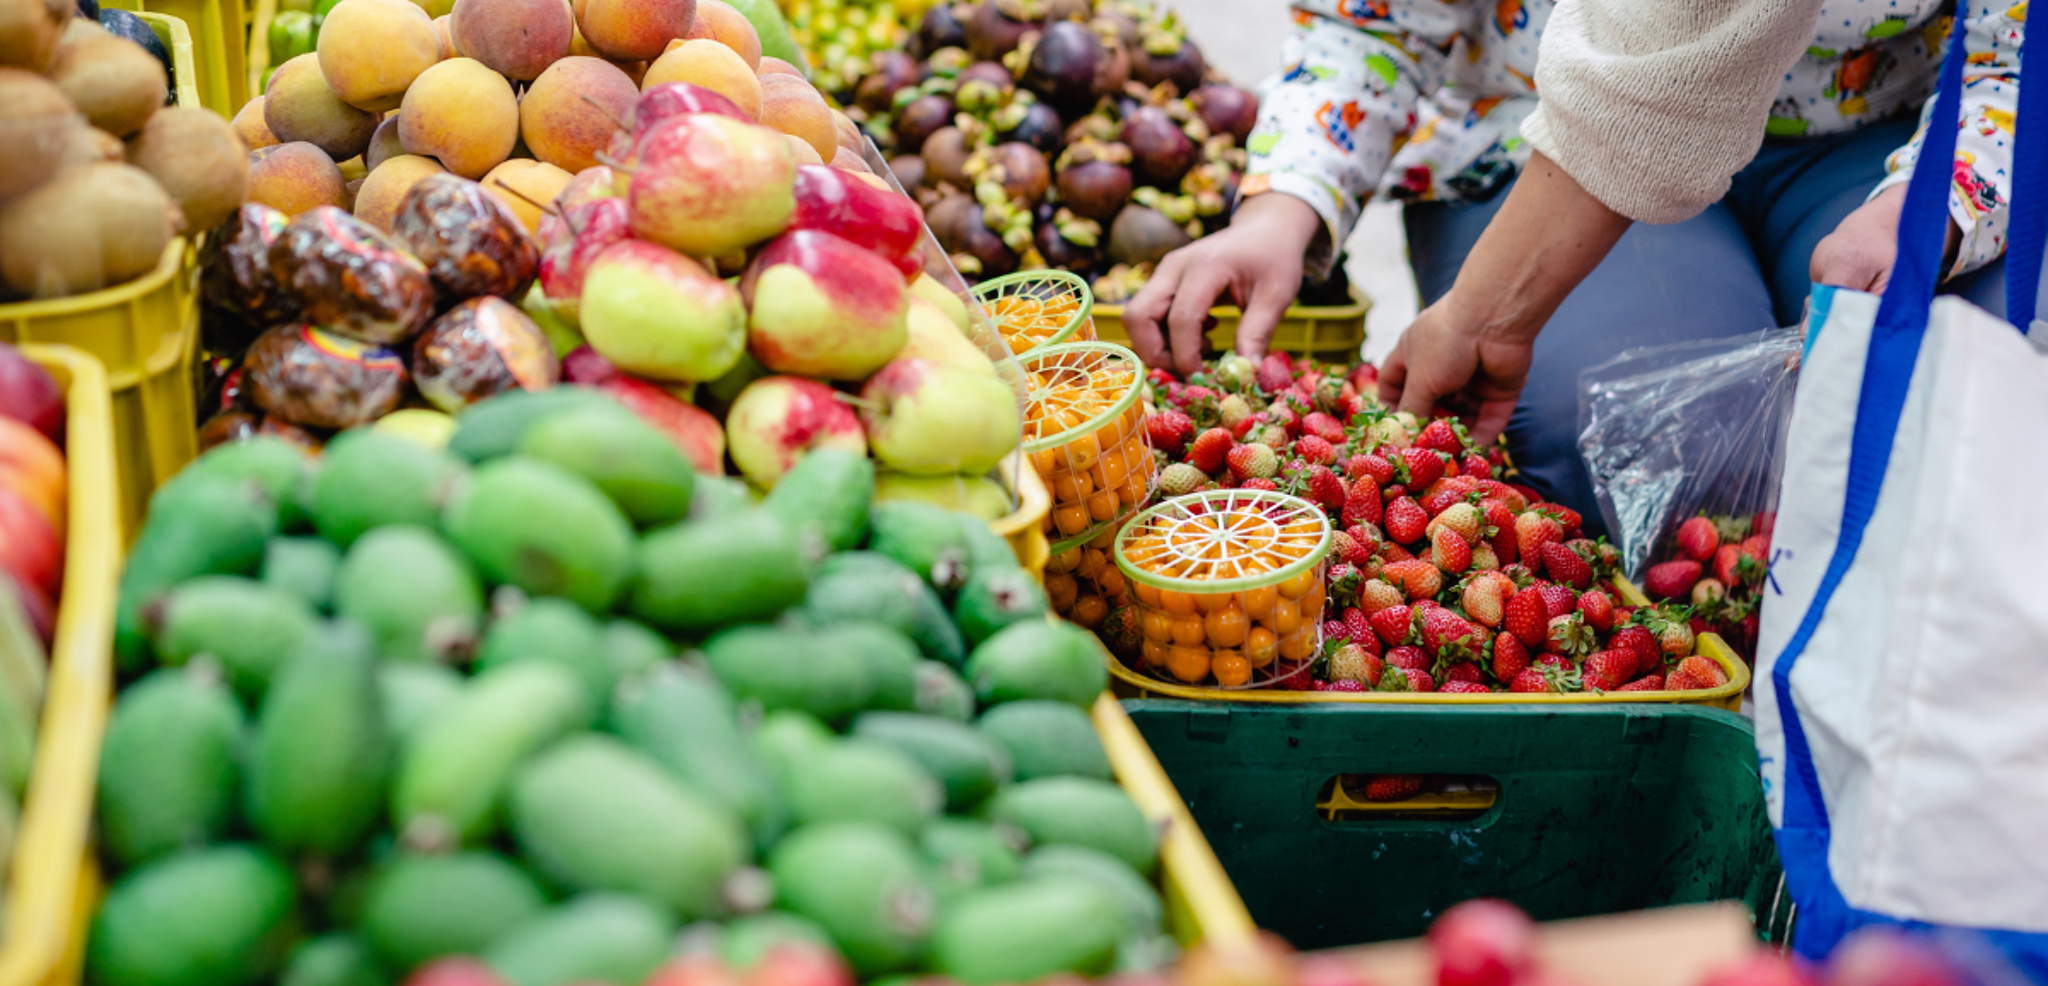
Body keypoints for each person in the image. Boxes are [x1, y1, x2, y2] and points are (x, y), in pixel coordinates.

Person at [1122, 0, 2025, 532]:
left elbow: (2020, 59)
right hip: (1548, 139)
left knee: (1955, 437)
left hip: (1880, 141)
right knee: (1650, 463)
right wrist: (1283, 204)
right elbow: (1376, 21)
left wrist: (1937, 204)